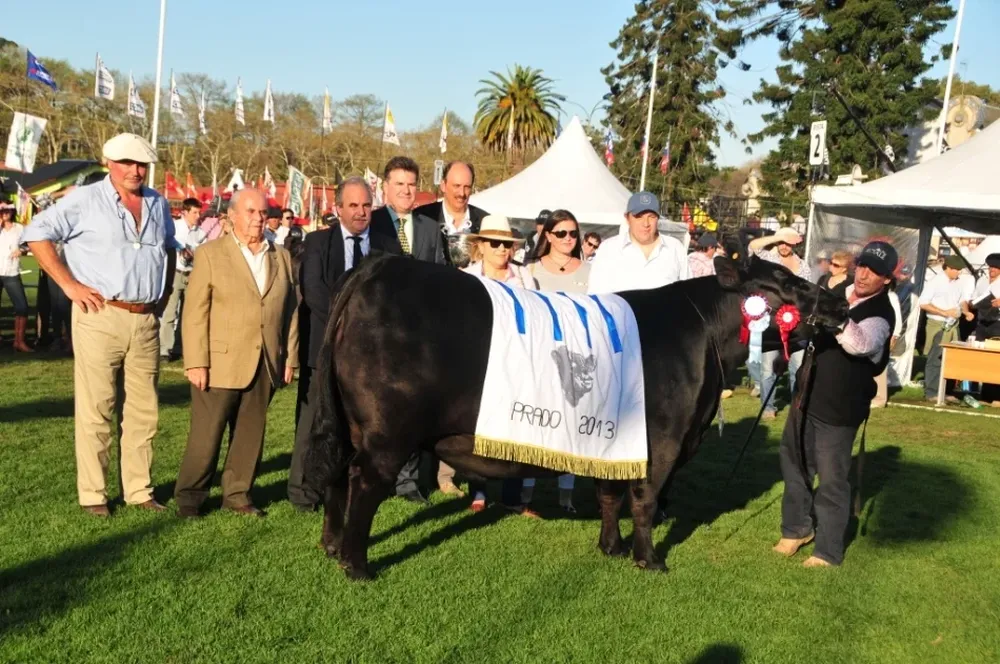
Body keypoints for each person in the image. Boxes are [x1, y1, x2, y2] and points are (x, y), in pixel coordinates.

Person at [23, 133, 175, 516]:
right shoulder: (85, 200)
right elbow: (37, 233)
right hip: (99, 314)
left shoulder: (158, 203)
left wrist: (164, 294)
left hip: (145, 320)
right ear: (109, 162)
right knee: (97, 408)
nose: (135, 171)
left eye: (141, 164)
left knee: (144, 411)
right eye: (127, 162)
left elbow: (169, 250)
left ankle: (139, 490)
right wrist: (70, 285)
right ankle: (94, 495)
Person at [174, 188, 299, 518]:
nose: (259, 218)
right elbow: (195, 312)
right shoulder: (211, 254)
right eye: (251, 211)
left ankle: (238, 494)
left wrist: (290, 358)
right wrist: (197, 361)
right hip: (219, 363)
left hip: (266, 361)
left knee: (250, 434)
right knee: (206, 435)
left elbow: (291, 311)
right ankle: (190, 497)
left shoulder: (281, 256)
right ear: (231, 216)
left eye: (262, 212)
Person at [775, 240, 896, 568]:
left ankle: (827, 551)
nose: (865, 274)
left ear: (887, 279)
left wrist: (836, 318)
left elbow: (861, 344)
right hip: (807, 394)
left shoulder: (882, 313)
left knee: (831, 478)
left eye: (875, 271)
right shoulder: (840, 291)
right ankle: (796, 528)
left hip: (840, 409)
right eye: (863, 265)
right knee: (795, 463)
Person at [288, 177, 406, 511]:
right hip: (323, 350)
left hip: (369, 358)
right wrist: (351, 327)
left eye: (366, 205)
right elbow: (314, 293)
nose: (360, 212)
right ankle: (302, 492)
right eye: (352, 205)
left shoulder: (387, 246)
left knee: (353, 426)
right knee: (312, 422)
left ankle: (340, 491)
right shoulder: (317, 243)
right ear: (338, 208)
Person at [461, 215, 538, 517]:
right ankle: (478, 491)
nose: (502, 249)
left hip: (515, 361)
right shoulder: (466, 276)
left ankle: (513, 496)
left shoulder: (525, 278)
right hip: (477, 360)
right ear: (480, 246)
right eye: (495, 243)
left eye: (507, 244)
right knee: (477, 429)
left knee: (515, 429)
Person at [523, 209, 590, 513]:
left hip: (576, 358)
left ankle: (566, 495)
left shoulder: (589, 271)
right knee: (535, 425)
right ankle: (526, 491)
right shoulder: (531, 270)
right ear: (547, 235)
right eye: (561, 233)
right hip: (540, 357)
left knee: (570, 427)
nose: (568, 239)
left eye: (573, 233)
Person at [747, 227, 812, 419]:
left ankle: (797, 407)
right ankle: (768, 407)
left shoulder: (803, 267)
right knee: (768, 369)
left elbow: (806, 295)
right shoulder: (770, 260)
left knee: (798, 368)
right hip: (772, 325)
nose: (783, 246)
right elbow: (752, 247)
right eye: (781, 242)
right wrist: (777, 236)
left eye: (787, 242)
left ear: (794, 244)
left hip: (797, 325)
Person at [587, 191, 689, 294]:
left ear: (658, 218)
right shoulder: (608, 249)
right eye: (639, 216)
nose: (646, 223)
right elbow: (596, 297)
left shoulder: (675, 249)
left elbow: (689, 295)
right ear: (627, 218)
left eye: (651, 217)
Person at [372, 156, 446, 265]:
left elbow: (440, 273)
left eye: (411, 185)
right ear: (385, 187)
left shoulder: (431, 229)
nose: (406, 191)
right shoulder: (370, 225)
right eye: (400, 184)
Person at [412, 161, 488, 266]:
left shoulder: (485, 222)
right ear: (443, 185)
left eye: (467, 187)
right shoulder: (421, 217)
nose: (462, 193)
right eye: (456, 186)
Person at [920, 255, 974, 402]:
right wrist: (944, 312)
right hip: (938, 325)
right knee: (935, 358)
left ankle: (947, 391)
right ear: (948, 268)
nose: (958, 273)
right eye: (956, 270)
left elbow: (962, 300)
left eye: (960, 270)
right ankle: (932, 392)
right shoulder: (935, 282)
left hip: (953, 325)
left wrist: (966, 311)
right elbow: (923, 303)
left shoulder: (959, 282)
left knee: (951, 358)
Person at [159, 198, 206, 361]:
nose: (198, 216)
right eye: (194, 212)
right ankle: (165, 348)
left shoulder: (200, 232)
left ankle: (179, 346)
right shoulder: (175, 227)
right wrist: (182, 251)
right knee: (170, 312)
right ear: (184, 212)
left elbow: (202, 252)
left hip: (192, 273)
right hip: (176, 272)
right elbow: (169, 245)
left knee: (188, 314)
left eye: (199, 212)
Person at [0, 203, 32, 352]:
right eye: (2, 211)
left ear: (12, 212)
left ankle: (19, 341)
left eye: (7, 211)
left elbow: (31, 244)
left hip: (11, 272)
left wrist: (22, 249)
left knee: (22, 307)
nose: (4, 213)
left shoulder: (20, 228)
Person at [970, 253, 1000, 406]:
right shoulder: (982, 281)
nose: (992, 270)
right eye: (990, 267)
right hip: (982, 322)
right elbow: (974, 297)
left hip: (998, 324)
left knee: (996, 360)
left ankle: (996, 396)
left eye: (995, 268)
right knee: (981, 358)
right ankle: (983, 394)